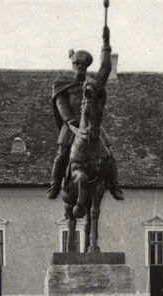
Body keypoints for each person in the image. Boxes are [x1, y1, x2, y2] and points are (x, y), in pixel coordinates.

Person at [49, 25, 123, 201]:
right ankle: (54, 186)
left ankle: (114, 185)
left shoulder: (94, 83)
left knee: (110, 153)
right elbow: (61, 105)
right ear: (72, 65)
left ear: (87, 66)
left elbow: (106, 67)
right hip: (71, 125)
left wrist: (106, 44)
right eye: (76, 63)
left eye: (83, 64)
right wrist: (70, 122)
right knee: (60, 155)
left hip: (92, 124)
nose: (79, 66)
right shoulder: (62, 84)